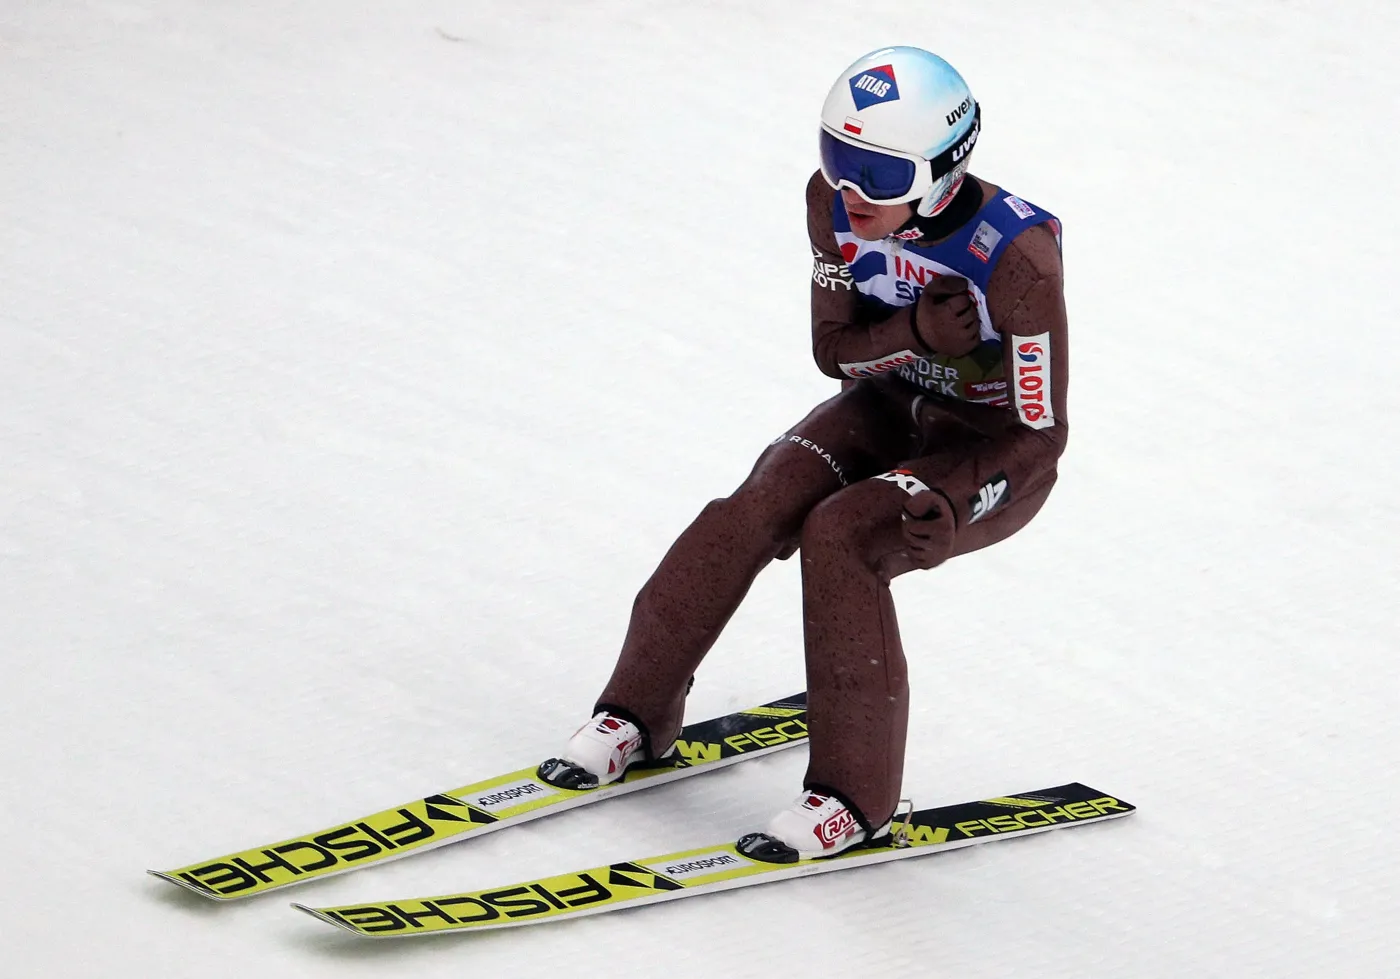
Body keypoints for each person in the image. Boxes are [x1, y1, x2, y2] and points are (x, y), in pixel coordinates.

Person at [537, 46, 1068, 861]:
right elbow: (834, 350)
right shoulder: (831, 205)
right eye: (837, 158)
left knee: (843, 534)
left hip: (982, 449)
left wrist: (960, 505)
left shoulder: (1016, 261)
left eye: (879, 175)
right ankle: (636, 711)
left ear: (942, 172)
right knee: (763, 499)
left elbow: (1041, 435)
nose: (852, 192)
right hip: (887, 402)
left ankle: (855, 797)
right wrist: (914, 332)